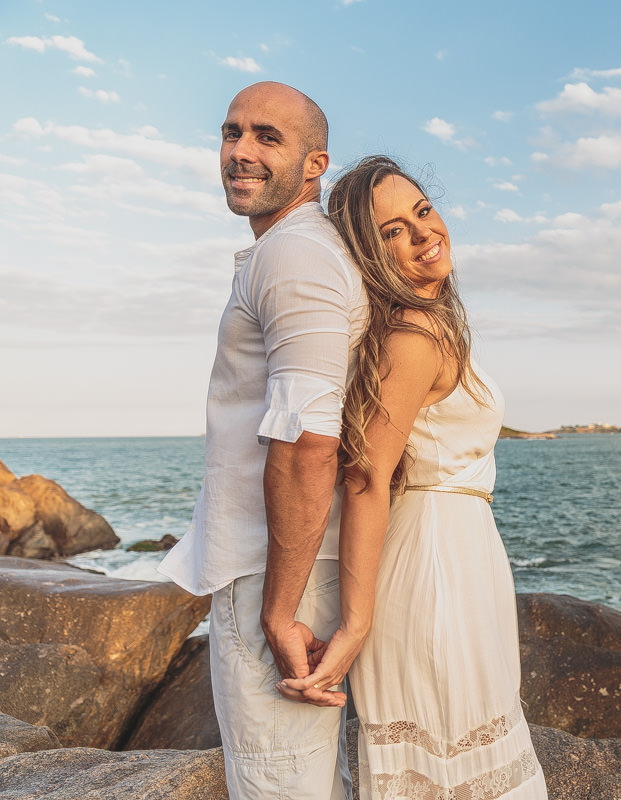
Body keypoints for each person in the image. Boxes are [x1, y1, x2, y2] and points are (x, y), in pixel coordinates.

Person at [278, 155, 547, 799]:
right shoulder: (411, 337)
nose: (423, 233)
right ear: (370, 256)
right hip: (433, 570)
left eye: (422, 212)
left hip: (460, 554)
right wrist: (355, 624)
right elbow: (365, 477)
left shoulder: (434, 324)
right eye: (391, 231)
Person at [159, 82, 365, 800]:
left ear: (316, 165)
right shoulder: (297, 250)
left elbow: (310, 437)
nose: (240, 151)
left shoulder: (297, 255)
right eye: (231, 132)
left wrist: (278, 609)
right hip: (298, 558)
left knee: (279, 786)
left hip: (279, 567)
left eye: (267, 137)